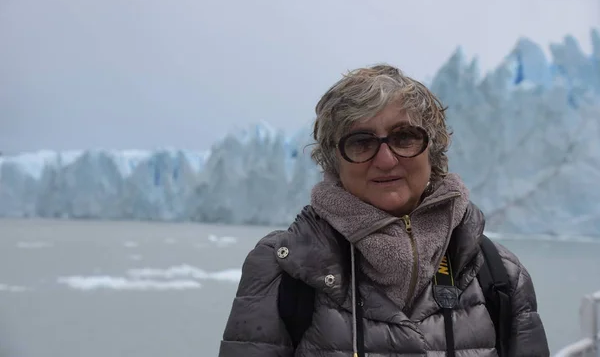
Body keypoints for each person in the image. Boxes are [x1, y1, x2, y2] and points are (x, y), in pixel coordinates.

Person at [218, 64, 549, 356]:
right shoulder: (285, 269)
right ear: (334, 160)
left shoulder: (499, 274)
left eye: (404, 137)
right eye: (361, 142)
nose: (386, 159)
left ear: (432, 149)